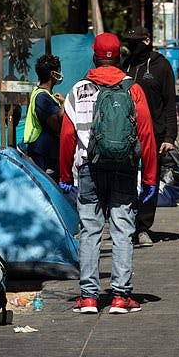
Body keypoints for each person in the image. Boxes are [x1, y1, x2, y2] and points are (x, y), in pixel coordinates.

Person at [58, 33, 158, 314]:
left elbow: (67, 137)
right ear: (119, 56)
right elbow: (146, 134)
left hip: (88, 168)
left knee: (90, 230)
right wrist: (150, 176)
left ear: (95, 55)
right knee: (123, 230)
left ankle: (89, 297)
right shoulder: (132, 89)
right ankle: (120, 297)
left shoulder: (77, 90)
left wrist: (66, 176)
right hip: (124, 168)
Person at [122, 25, 178, 247]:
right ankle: (126, 224)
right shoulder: (126, 65)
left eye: (136, 42)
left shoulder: (161, 66)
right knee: (125, 179)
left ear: (146, 41)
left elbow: (170, 103)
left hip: (153, 135)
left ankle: (143, 227)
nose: (132, 46)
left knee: (149, 180)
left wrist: (169, 137)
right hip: (126, 134)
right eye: (129, 42)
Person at [22, 53, 66, 181]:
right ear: (53, 74)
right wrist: (65, 104)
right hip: (44, 156)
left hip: (45, 153)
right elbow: (56, 126)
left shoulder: (45, 94)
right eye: (59, 71)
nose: (61, 74)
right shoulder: (42, 97)